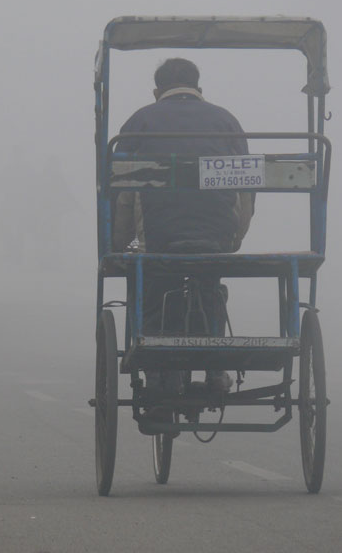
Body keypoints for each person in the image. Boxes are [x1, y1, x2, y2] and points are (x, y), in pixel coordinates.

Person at [112, 58, 254, 421]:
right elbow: (248, 191)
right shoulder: (226, 121)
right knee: (209, 277)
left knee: (155, 285)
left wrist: (118, 242)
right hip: (217, 235)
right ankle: (216, 368)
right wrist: (234, 238)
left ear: (157, 92)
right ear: (199, 88)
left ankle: (159, 377)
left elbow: (122, 192)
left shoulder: (140, 121)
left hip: (160, 237)